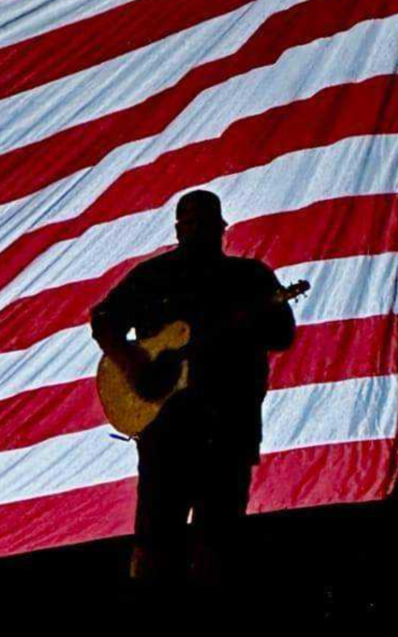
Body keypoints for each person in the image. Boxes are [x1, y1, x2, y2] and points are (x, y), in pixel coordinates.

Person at [91, 190, 296, 593]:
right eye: (191, 223)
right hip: (168, 432)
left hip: (230, 429)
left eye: (207, 223)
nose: (200, 231)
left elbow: (283, 334)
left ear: (222, 229)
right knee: (155, 541)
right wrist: (137, 367)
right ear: (178, 229)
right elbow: (104, 320)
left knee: (219, 546)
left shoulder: (250, 277)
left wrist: (247, 322)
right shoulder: (152, 277)